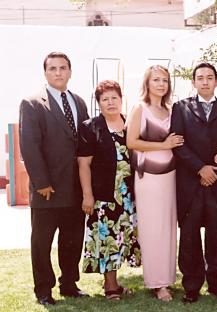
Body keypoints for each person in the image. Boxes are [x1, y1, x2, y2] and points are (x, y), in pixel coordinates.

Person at [19, 52, 89, 305]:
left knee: (72, 240)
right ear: (45, 72)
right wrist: (41, 182)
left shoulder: (79, 102)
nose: (58, 72)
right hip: (47, 188)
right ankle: (43, 290)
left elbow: (84, 145)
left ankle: (69, 285)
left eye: (63, 68)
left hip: (75, 188)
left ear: (70, 71)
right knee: (42, 242)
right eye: (52, 68)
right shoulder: (32, 103)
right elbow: (29, 145)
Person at [170, 62, 217, 303]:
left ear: (216, 81)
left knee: (216, 234)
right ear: (193, 82)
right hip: (190, 181)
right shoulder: (181, 108)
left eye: (209, 77)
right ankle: (191, 285)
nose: (204, 81)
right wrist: (200, 168)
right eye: (200, 77)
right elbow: (178, 143)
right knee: (189, 235)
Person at [78, 80, 141, 300]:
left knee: (123, 236)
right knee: (107, 239)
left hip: (129, 193)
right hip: (104, 194)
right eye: (105, 99)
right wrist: (88, 195)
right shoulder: (90, 126)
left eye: (114, 98)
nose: (111, 102)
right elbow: (84, 164)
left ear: (122, 100)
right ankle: (110, 286)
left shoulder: (130, 124)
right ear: (99, 103)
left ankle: (116, 282)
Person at [126, 65, 182, 302]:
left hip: (170, 176)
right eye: (156, 80)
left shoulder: (171, 110)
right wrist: (163, 145)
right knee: (152, 228)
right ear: (147, 83)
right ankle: (157, 283)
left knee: (167, 227)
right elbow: (131, 141)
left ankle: (167, 278)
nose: (161, 84)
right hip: (148, 176)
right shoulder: (140, 108)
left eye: (165, 81)